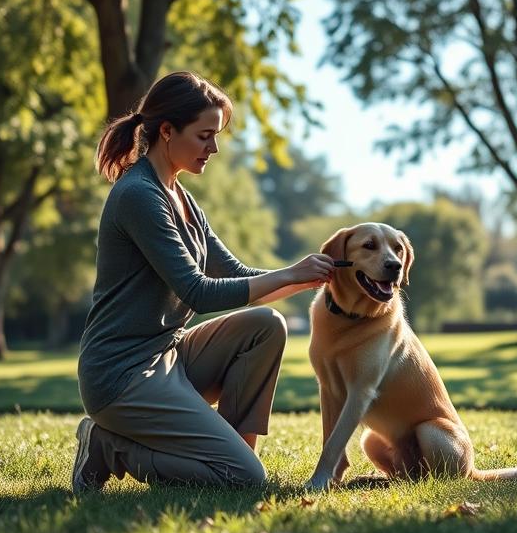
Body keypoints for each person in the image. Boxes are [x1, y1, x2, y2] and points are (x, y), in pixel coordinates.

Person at [72, 71, 335, 494]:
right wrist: (291, 273)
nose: (213, 148)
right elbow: (196, 289)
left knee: (266, 325)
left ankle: (232, 454)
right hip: (121, 374)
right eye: (204, 136)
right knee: (246, 479)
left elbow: (236, 275)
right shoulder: (139, 194)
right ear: (166, 131)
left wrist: (310, 278)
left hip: (168, 355)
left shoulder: (181, 195)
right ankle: (108, 446)